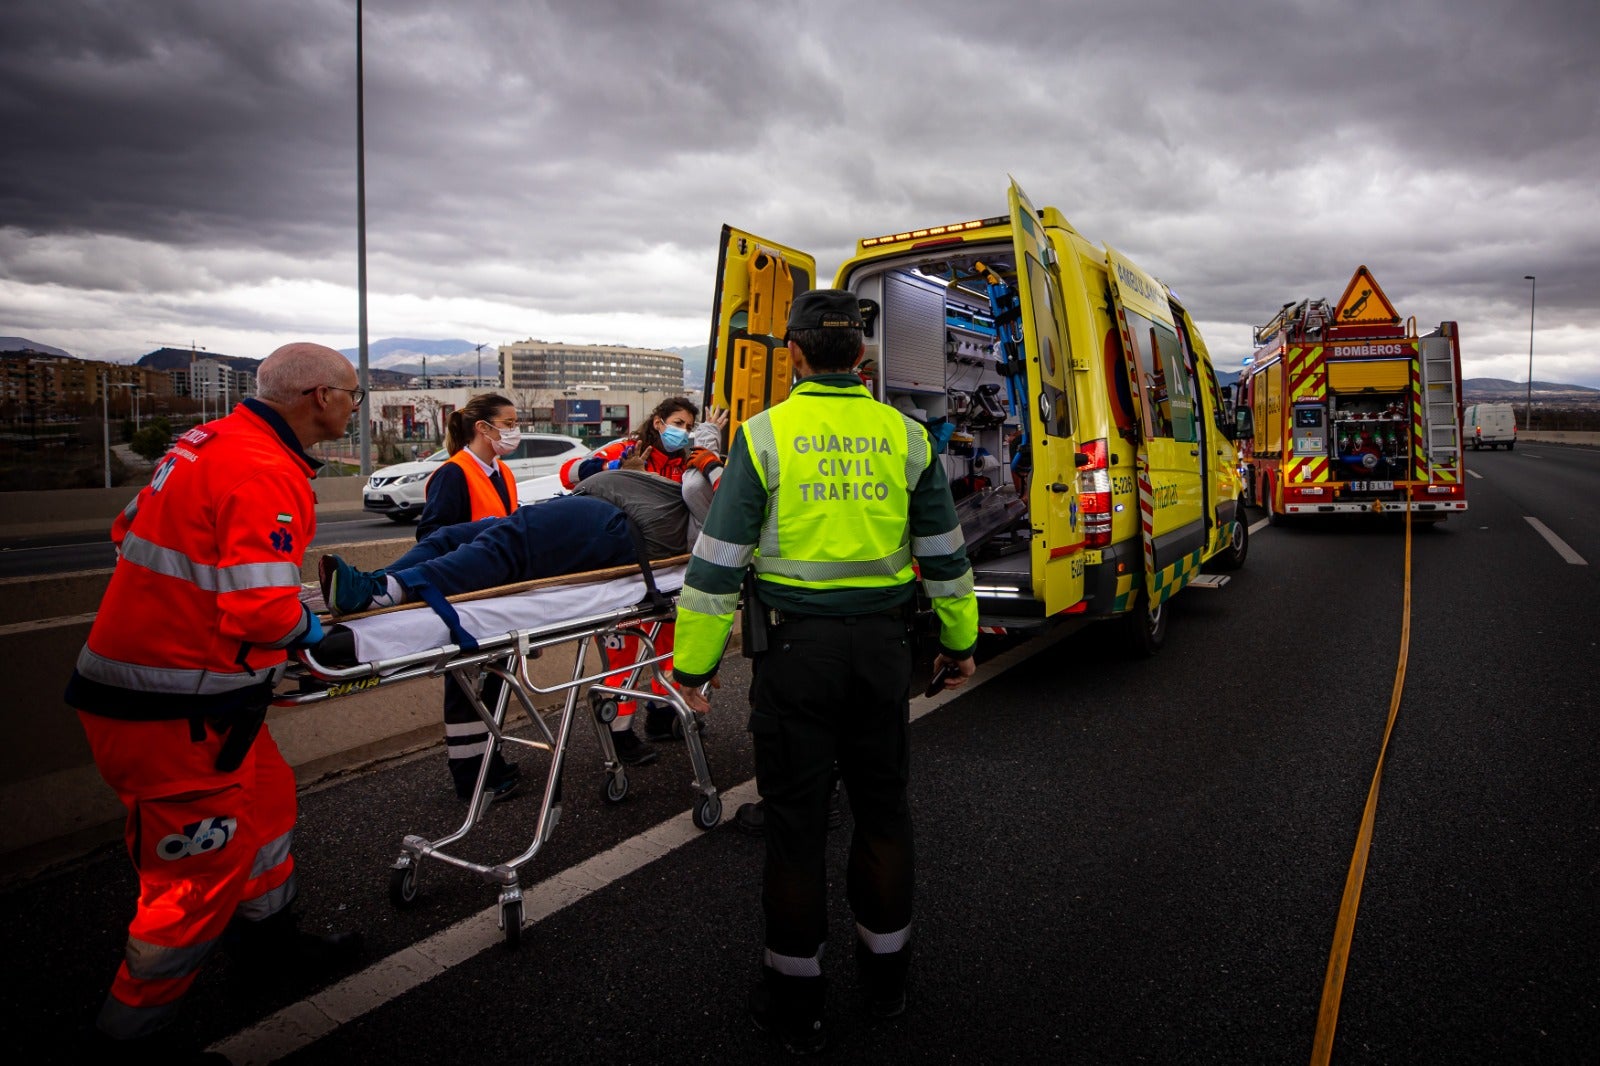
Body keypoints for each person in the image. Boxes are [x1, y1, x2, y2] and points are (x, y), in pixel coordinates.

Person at [672, 290, 979, 1053]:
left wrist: (693, 670)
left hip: (796, 655)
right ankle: (886, 982)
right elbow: (946, 556)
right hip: (882, 654)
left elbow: (717, 562)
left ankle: (795, 1001)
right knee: (883, 815)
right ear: (865, 361)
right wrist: (958, 641)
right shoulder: (907, 436)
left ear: (796, 356)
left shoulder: (765, 434)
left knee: (795, 831)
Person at [64, 342, 364, 1062]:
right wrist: (314, 631)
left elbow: (127, 528)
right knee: (191, 887)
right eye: (352, 393)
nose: (356, 405)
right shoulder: (261, 470)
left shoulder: (207, 443)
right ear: (317, 396)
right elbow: (262, 612)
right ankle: (131, 1039)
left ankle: (269, 949)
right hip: (170, 710)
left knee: (265, 809)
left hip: (194, 696)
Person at [558, 397, 727, 765]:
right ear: (658, 421)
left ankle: (663, 715)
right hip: (625, 570)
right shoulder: (629, 449)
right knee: (623, 659)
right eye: (677, 422)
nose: (682, 431)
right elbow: (568, 473)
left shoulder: (690, 459)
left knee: (669, 650)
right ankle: (619, 735)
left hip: (667, 573)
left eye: (688, 425)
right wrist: (615, 467)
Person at [319, 469, 697, 622]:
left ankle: (387, 592)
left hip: (613, 524)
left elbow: (697, 487)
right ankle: (378, 583)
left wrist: (711, 457)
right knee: (448, 537)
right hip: (596, 509)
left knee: (508, 544)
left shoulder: (720, 492)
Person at [418, 393, 524, 801]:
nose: (515, 430)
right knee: (467, 689)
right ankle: (471, 778)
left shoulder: (502, 473)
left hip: (496, 595)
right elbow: (431, 537)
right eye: (509, 422)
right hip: (466, 597)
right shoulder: (454, 474)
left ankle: (491, 762)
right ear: (483, 428)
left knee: (493, 686)